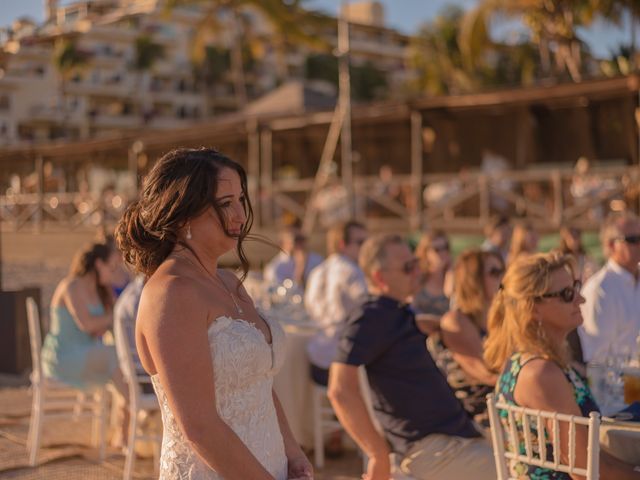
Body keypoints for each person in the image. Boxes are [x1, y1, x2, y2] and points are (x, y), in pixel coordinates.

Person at [116, 148, 312, 480]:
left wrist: (292, 453)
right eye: (225, 204)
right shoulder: (172, 293)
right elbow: (200, 427)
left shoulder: (230, 282)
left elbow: (259, 382)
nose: (239, 215)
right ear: (181, 216)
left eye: (240, 200)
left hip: (271, 464)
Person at [328, 234, 495, 480]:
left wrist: (433, 325)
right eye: (408, 267)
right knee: (530, 472)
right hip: (432, 450)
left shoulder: (397, 311)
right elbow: (340, 391)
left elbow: (398, 335)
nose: (417, 270)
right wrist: (377, 454)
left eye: (416, 263)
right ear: (379, 278)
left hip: (456, 439)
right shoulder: (371, 316)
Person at [484, 252, 639, 479]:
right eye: (567, 294)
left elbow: (593, 459)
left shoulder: (534, 363)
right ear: (533, 308)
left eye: (576, 287)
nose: (581, 299)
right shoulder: (541, 374)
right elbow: (585, 471)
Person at [41, 240, 129, 446]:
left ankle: (125, 429)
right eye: (111, 267)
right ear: (98, 264)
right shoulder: (71, 285)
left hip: (87, 352)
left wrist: (114, 295)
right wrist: (112, 315)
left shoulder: (101, 289)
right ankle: (137, 411)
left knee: (122, 361)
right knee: (117, 357)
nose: (114, 272)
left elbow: (105, 323)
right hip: (63, 357)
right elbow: (87, 325)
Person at [433, 249, 503, 426]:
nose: (503, 277)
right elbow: (485, 373)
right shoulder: (455, 321)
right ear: (474, 279)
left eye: (504, 270)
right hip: (475, 418)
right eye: (495, 272)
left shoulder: (499, 320)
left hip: (504, 410)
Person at [305, 220, 368, 386]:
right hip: (343, 363)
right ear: (342, 244)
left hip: (317, 359)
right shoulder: (352, 272)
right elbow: (368, 309)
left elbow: (308, 310)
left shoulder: (316, 271)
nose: (366, 248)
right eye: (361, 242)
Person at [578, 211, 640, 363]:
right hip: (623, 383)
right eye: (633, 239)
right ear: (611, 245)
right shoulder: (600, 289)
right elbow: (598, 358)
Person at [412, 230, 453, 333]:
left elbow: (451, 295)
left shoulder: (454, 276)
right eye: (437, 249)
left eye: (445, 248)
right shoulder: (418, 277)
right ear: (426, 253)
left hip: (448, 334)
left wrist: (450, 272)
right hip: (419, 333)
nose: (442, 253)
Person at [263, 222, 323, 289]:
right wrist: (300, 269)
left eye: (302, 238)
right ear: (282, 243)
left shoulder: (316, 260)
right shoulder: (275, 268)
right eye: (296, 239)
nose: (301, 243)